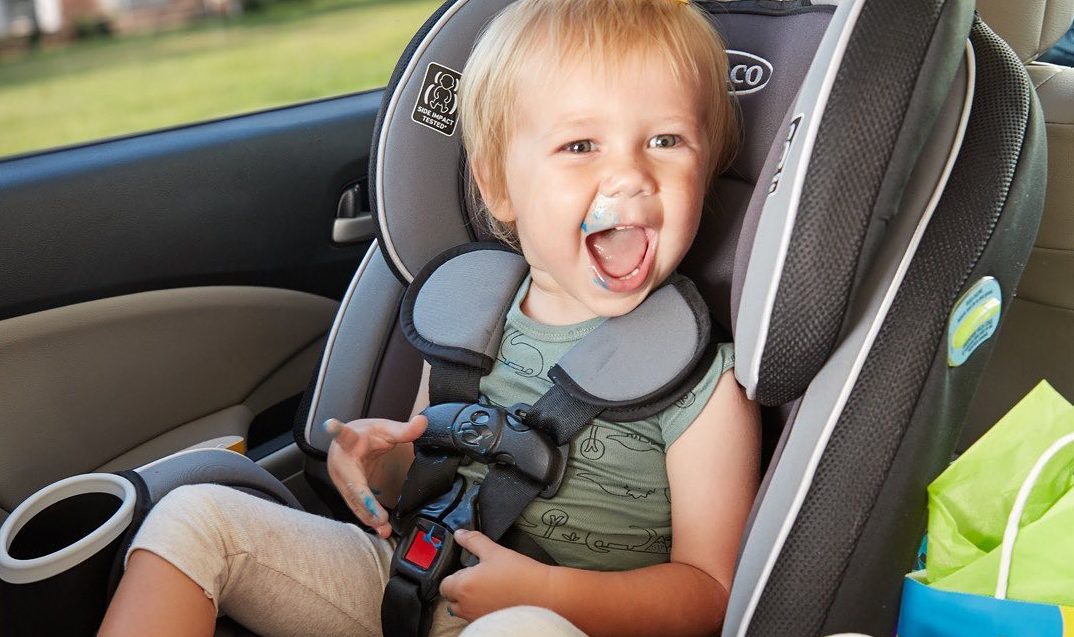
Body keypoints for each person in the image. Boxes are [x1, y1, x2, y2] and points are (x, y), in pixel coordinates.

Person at [97, 0, 759, 635]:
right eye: (581, 145)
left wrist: (547, 593)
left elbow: (711, 591)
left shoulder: (706, 389)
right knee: (194, 516)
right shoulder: (469, 317)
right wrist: (382, 466)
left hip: (559, 619)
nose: (629, 176)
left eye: (666, 140)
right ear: (500, 185)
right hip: (414, 578)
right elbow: (428, 461)